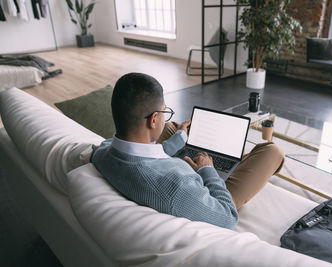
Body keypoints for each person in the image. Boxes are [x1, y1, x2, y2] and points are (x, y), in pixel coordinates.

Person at [91, 73, 285, 230]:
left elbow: (143, 157)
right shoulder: (176, 187)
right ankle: (237, 160)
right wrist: (207, 170)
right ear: (153, 119)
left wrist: (178, 139)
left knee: (175, 127)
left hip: (162, 163)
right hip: (210, 192)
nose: (164, 117)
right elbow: (228, 217)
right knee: (271, 150)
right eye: (164, 112)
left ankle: (229, 155)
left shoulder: (103, 151)